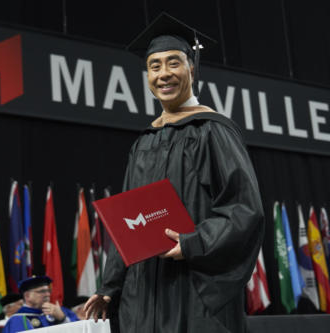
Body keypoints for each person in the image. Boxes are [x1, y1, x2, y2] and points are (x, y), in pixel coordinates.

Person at [84, 13, 264, 333]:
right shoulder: (144, 142)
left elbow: (244, 208)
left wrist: (195, 242)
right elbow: (127, 223)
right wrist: (109, 287)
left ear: (191, 70)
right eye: (155, 66)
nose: (164, 74)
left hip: (192, 290)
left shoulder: (213, 131)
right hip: (142, 296)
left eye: (173, 63)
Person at [2, 276, 79, 332]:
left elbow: (81, 329)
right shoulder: (17, 320)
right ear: (27, 296)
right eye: (42, 291)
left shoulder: (61, 312)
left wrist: (63, 318)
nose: (47, 294)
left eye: (48, 291)